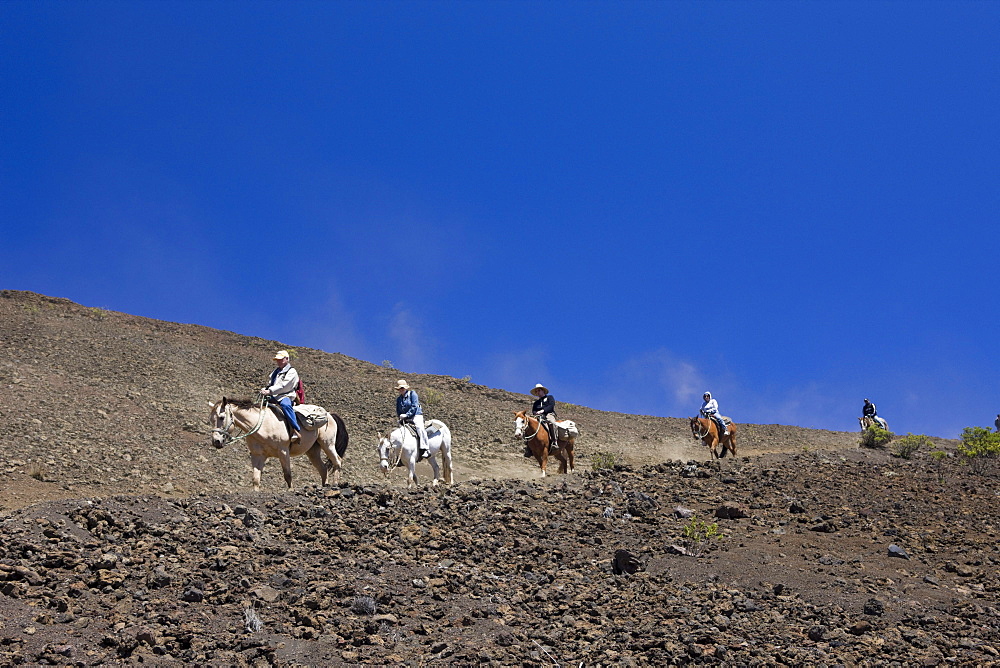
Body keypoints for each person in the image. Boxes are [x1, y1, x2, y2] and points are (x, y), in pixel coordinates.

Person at [260, 350, 301, 443]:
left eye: (280, 359)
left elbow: (284, 386)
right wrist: (264, 389)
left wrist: (269, 391)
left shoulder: (292, 371)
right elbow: (271, 383)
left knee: (286, 405)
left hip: (286, 395)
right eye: (277, 360)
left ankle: (295, 430)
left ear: (287, 359)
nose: (278, 361)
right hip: (274, 395)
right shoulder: (276, 372)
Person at [395, 379, 429, 459]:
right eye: (400, 389)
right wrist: (400, 416)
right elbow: (398, 410)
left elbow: (414, 406)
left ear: (406, 388)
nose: (401, 390)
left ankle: (425, 449)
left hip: (416, 415)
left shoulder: (412, 394)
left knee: (419, 428)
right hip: (405, 417)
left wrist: (407, 415)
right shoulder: (399, 399)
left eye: (402, 388)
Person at [529, 383, 559, 454]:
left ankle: (555, 442)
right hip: (538, 416)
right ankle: (528, 445)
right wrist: (535, 413)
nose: (537, 392)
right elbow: (533, 410)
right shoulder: (536, 403)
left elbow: (551, 406)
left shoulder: (550, 397)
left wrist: (543, 410)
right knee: (528, 424)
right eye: (536, 391)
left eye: (539, 390)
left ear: (543, 391)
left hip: (549, 414)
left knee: (551, 422)